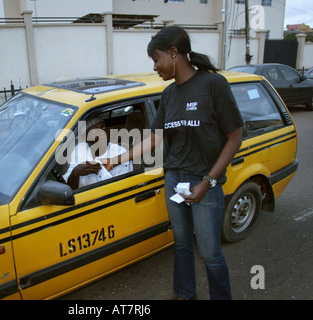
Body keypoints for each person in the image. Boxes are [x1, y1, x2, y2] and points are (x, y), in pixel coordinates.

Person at [103, 26, 243, 300]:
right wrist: (115, 159)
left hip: (205, 182)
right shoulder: (169, 94)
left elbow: (235, 138)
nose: (155, 67)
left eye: (156, 59)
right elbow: (154, 139)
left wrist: (209, 182)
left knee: (210, 252)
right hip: (174, 180)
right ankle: (184, 293)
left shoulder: (213, 85)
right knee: (180, 243)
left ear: (174, 53)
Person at [63, 117, 133, 189]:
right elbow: (69, 187)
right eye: (94, 131)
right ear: (86, 137)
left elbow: (121, 188)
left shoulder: (119, 152)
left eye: (103, 128)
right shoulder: (79, 149)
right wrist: (75, 174)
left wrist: (101, 171)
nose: (102, 133)